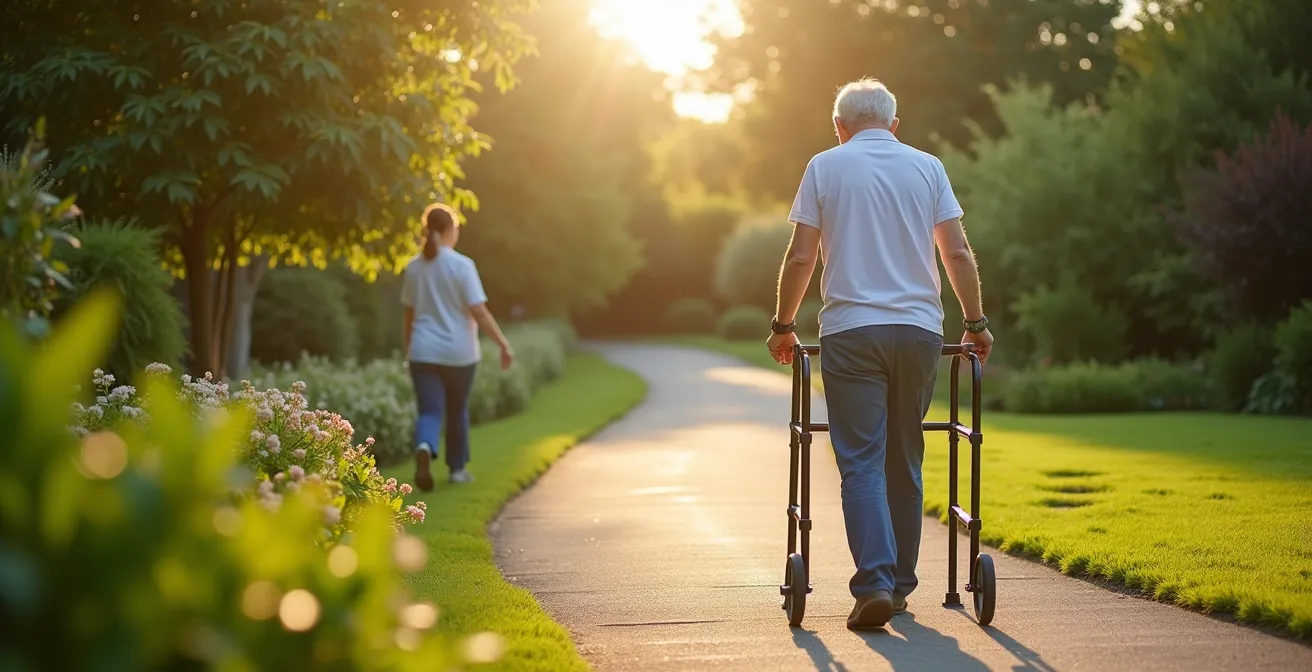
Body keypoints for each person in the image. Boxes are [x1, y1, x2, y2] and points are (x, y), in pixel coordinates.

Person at [764, 78, 994, 630]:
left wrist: (783, 326)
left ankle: (874, 583)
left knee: (861, 461)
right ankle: (899, 586)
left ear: (839, 127)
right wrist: (976, 322)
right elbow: (956, 250)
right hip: (918, 332)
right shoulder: (927, 166)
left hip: (851, 332)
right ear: (894, 125)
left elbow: (801, 257)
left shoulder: (825, 165)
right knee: (904, 458)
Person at [401, 203, 514, 491]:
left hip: (423, 351)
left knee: (429, 410)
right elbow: (479, 311)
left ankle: (425, 445)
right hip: (459, 353)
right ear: (449, 230)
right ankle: (457, 470)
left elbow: (410, 315)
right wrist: (502, 343)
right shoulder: (463, 265)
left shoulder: (414, 267)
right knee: (457, 410)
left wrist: (408, 350)